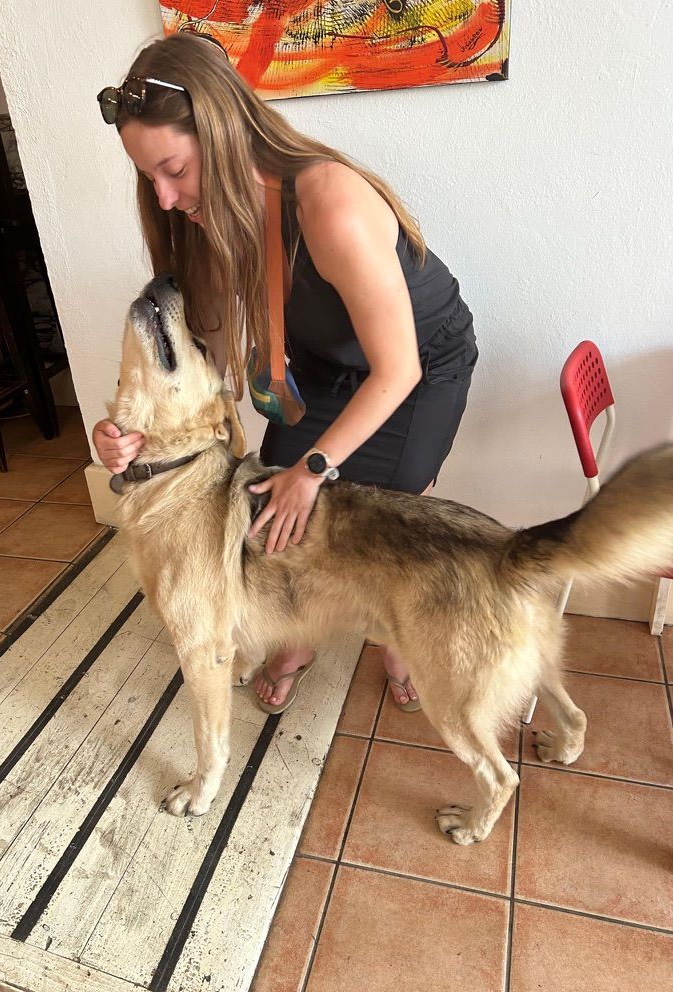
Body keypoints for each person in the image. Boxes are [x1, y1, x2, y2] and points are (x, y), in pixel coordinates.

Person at [92, 32, 478, 714]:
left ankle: (395, 635)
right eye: (148, 177)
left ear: (223, 128)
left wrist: (315, 467)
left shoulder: (331, 203)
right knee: (272, 514)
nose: (164, 196)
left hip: (419, 367)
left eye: (174, 169)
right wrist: (132, 434)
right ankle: (301, 633)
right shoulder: (215, 208)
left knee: (383, 514)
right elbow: (204, 348)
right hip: (327, 362)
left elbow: (398, 369)